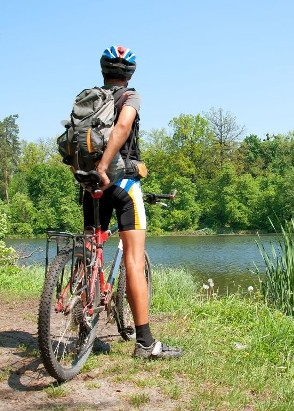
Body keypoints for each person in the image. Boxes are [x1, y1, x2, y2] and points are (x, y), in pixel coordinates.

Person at [82, 45, 182, 359]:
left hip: (90, 187)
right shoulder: (130, 97)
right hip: (123, 184)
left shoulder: (88, 99)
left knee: (89, 254)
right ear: (129, 74)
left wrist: (90, 171)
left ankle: (85, 328)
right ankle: (145, 343)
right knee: (134, 262)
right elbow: (123, 127)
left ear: (103, 71)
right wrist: (105, 165)